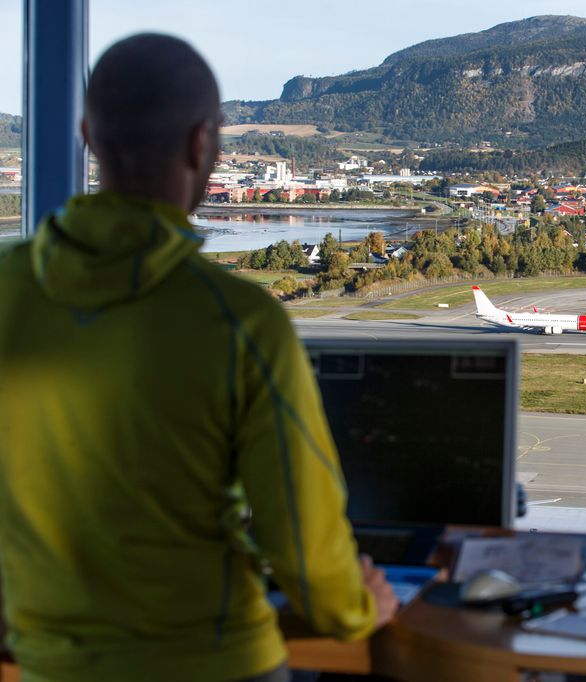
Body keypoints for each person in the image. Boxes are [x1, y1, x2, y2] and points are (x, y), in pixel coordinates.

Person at [0, 33, 397, 682]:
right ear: (202, 145)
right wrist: (358, 609)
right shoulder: (239, 321)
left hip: (48, 664)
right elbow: (299, 536)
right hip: (214, 661)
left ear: (87, 138)